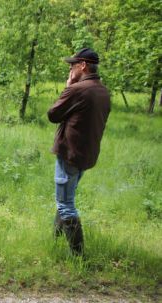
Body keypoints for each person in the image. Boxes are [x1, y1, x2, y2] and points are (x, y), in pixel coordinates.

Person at [48, 48, 111, 255]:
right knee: (66, 198)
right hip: (86, 155)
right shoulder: (102, 90)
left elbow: (53, 114)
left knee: (65, 203)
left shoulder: (78, 89)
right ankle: (54, 239)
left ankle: (78, 255)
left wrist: (68, 87)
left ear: (83, 66)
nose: (70, 69)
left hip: (70, 154)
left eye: (72, 65)